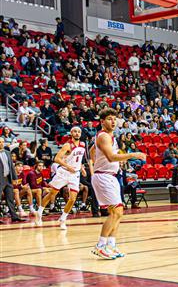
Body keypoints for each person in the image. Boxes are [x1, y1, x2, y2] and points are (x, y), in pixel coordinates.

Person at [90, 108, 146, 260]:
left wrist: (94, 161)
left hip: (111, 176)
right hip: (104, 176)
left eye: (115, 118)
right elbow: (111, 157)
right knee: (115, 212)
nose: (113, 121)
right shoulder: (103, 136)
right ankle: (100, 245)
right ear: (102, 122)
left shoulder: (109, 137)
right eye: (109, 119)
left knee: (119, 212)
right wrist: (132, 154)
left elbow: (92, 150)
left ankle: (111, 245)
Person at [35, 127, 87, 230]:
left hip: (75, 174)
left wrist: (81, 168)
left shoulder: (83, 145)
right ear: (71, 133)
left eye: (79, 132)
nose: (77, 133)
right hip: (64, 172)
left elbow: (78, 159)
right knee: (52, 194)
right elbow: (57, 159)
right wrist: (68, 167)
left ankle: (63, 219)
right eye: (75, 132)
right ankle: (39, 212)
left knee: (72, 199)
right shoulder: (67, 145)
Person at [0, 137, 26, 223]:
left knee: (10, 198)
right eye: (0, 142)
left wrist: (15, 178)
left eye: (2, 142)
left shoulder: (7, 153)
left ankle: (14, 216)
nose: (1, 144)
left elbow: (11, 166)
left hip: (8, 178)